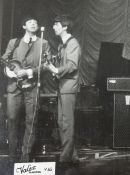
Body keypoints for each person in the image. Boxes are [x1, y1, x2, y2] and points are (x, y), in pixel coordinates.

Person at [1, 16, 50, 162]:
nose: (34, 24)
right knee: (12, 118)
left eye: (35, 22)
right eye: (30, 22)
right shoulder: (14, 42)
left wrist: (29, 72)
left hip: (33, 86)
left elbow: (46, 65)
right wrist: (9, 72)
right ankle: (11, 154)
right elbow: (5, 59)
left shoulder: (44, 43)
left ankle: (25, 154)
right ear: (24, 26)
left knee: (31, 120)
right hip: (14, 87)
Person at [45, 15, 81, 166]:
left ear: (65, 27)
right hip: (63, 87)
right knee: (62, 122)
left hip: (68, 88)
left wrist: (56, 69)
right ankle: (73, 156)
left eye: (57, 24)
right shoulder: (62, 45)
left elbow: (72, 65)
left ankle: (65, 158)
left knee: (66, 122)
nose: (54, 27)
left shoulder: (73, 43)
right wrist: (53, 67)